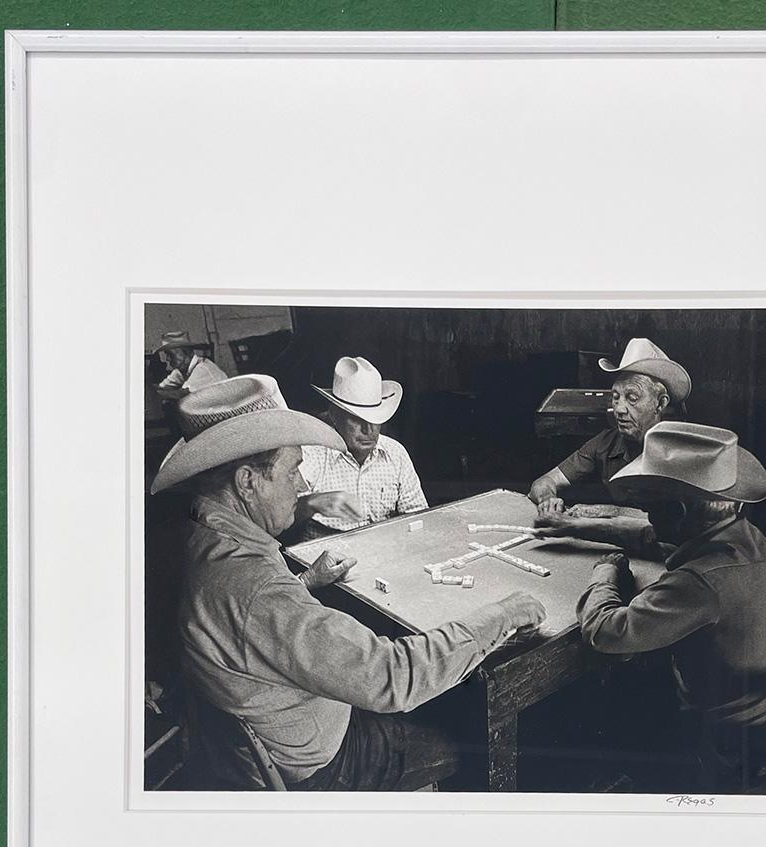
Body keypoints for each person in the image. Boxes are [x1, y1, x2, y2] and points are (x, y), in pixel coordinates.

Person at [150, 374, 545, 791]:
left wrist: (304, 581)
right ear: (248, 482)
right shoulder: (256, 583)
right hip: (322, 764)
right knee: (468, 732)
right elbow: (392, 676)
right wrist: (503, 613)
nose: (302, 485)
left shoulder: (203, 533)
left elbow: (246, 621)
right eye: (292, 471)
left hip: (272, 723)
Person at [575, 421, 766, 793]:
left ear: (681, 511)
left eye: (653, 507)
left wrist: (605, 573)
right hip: (758, 717)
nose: (649, 516)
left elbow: (605, 631)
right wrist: (573, 527)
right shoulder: (746, 539)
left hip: (718, 744)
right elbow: (658, 539)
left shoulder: (700, 582)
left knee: (594, 711)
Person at [528, 337, 690, 517]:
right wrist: (547, 499)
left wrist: (612, 512)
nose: (619, 409)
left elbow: (679, 520)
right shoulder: (606, 442)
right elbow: (544, 481)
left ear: (660, 404)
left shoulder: (680, 450)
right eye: (616, 396)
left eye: (632, 398)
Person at [297, 355, 428, 534]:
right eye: (357, 419)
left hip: (385, 548)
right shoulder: (311, 454)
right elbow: (281, 520)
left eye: (376, 419)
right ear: (335, 415)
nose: (368, 430)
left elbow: (417, 515)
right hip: (325, 554)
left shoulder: (395, 453)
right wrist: (310, 503)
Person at [156, 331, 227, 401]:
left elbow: (181, 394)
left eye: (170, 354)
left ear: (187, 353)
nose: (167, 359)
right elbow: (162, 387)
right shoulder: (182, 369)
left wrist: (154, 395)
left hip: (224, 406)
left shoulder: (202, 367)